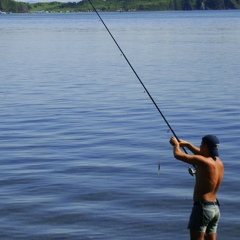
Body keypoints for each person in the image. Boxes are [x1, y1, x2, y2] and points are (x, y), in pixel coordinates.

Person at [169, 135, 224, 240]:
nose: (199, 146)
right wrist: (188, 145)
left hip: (203, 208)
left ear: (206, 147)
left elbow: (178, 154)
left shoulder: (204, 162)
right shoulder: (219, 163)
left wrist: (176, 145)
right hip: (215, 209)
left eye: (201, 144)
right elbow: (201, 154)